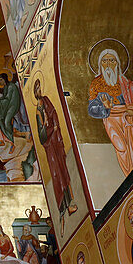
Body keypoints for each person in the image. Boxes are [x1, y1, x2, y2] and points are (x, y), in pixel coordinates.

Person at [87, 47, 133, 176]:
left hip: (130, 117)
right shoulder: (96, 84)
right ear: (100, 65)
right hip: (112, 119)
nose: (108, 64)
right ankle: (131, 176)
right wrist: (105, 107)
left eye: (112, 60)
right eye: (104, 61)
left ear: (117, 63)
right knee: (121, 147)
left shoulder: (126, 83)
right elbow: (92, 109)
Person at [34, 77, 77, 219]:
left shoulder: (46, 100)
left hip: (55, 143)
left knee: (63, 170)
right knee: (56, 172)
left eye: (40, 88)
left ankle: (70, 201)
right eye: (37, 89)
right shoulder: (37, 111)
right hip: (50, 146)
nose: (40, 91)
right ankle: (63, 205)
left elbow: (53, 114)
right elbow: (41, 135)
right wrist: (46, 125)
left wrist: (54, 126)